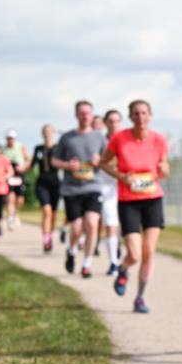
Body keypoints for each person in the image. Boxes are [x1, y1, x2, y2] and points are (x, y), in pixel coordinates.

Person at [100, 100, 169, 314]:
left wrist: (164, 168)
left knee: (149, 252)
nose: (140, 117)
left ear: (150, 116)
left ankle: (139, 297)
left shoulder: (159, 139)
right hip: (128, 200)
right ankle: (123, 268)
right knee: (135, 254)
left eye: (144, 113)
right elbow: (103, 163)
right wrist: (121, 176)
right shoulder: (119, 139)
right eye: (136, 114)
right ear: (130, 117)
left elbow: (164, 166)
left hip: (152, 199)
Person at [52, 100, 107, 278]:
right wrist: (68, 165)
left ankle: (87, 264)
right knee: (76, 229)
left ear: (92, 115)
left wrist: (100, 161)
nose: (85, 116)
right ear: (76, 115)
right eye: (81, 113)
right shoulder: (67, 138)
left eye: (88, 113)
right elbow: (54, 161)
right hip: (72, 189)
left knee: (91, 223)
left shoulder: (100, 137)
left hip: (93, 186)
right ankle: (72, 250)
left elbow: (110, 160)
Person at [98, 110, 123, 274]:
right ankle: (114, 262)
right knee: (110, 223)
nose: (113, 124)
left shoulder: (126, 139)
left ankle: (117, 246)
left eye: (116, 121)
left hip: (125, 186)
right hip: (106, 188)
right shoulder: (99, 140)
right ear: (105, 123)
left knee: (123, 224)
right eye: (110, 121)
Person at [31, 124, 62, 253]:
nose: (47, 134)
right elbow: (32, 164)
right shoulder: (38, 148)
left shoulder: (58, 148)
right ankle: (46, 239)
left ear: (53, 133)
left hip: (55, 183)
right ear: (42, 134)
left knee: (53, 214)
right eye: (45, 131)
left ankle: (50, 236)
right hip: (42, 183)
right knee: (46, 211)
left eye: (49, 131)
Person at [2, 130, 30, 229]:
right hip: (9, 174)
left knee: (20, 199)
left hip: (19, 173)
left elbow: (28, 160)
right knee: (10, 198)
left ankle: (15, 213)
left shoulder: (20, 146)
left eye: (12, 138)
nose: (10, 140)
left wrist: (23, 167)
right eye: (9, 138)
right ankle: (10, 219)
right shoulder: (3, 149)